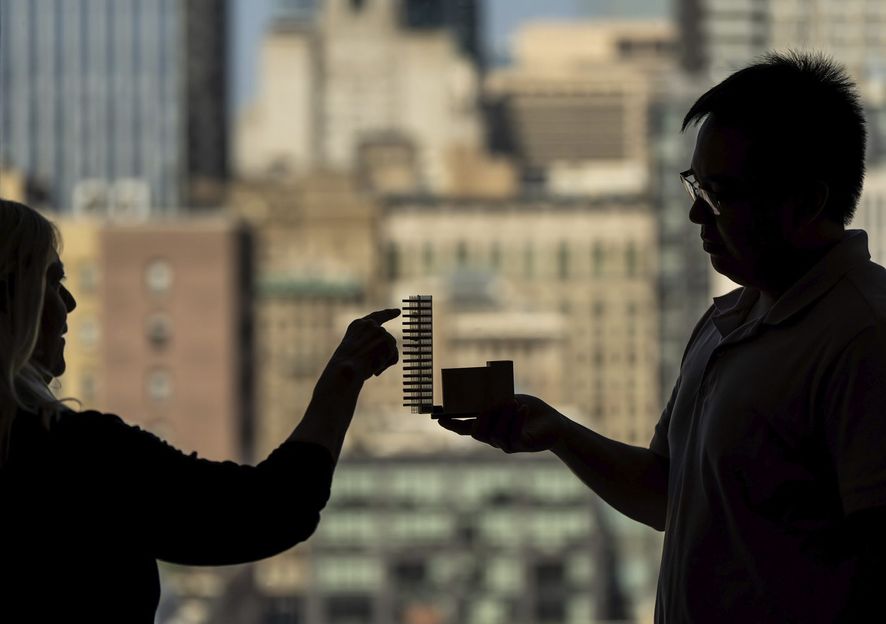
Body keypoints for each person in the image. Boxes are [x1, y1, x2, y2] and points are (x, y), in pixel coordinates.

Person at [439, 51, 886, 622]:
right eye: (695, 187)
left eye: (721, 194)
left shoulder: (865, 338)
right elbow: (667, 492)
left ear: (808, 201)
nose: (697, 216)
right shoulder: (725, 320)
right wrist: (555, 431)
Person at [0, 199, 400, 621]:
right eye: (50, 281)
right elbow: (269, 511)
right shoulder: (76, 457)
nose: (69, 303)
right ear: (9, 298)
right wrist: (343, 378)